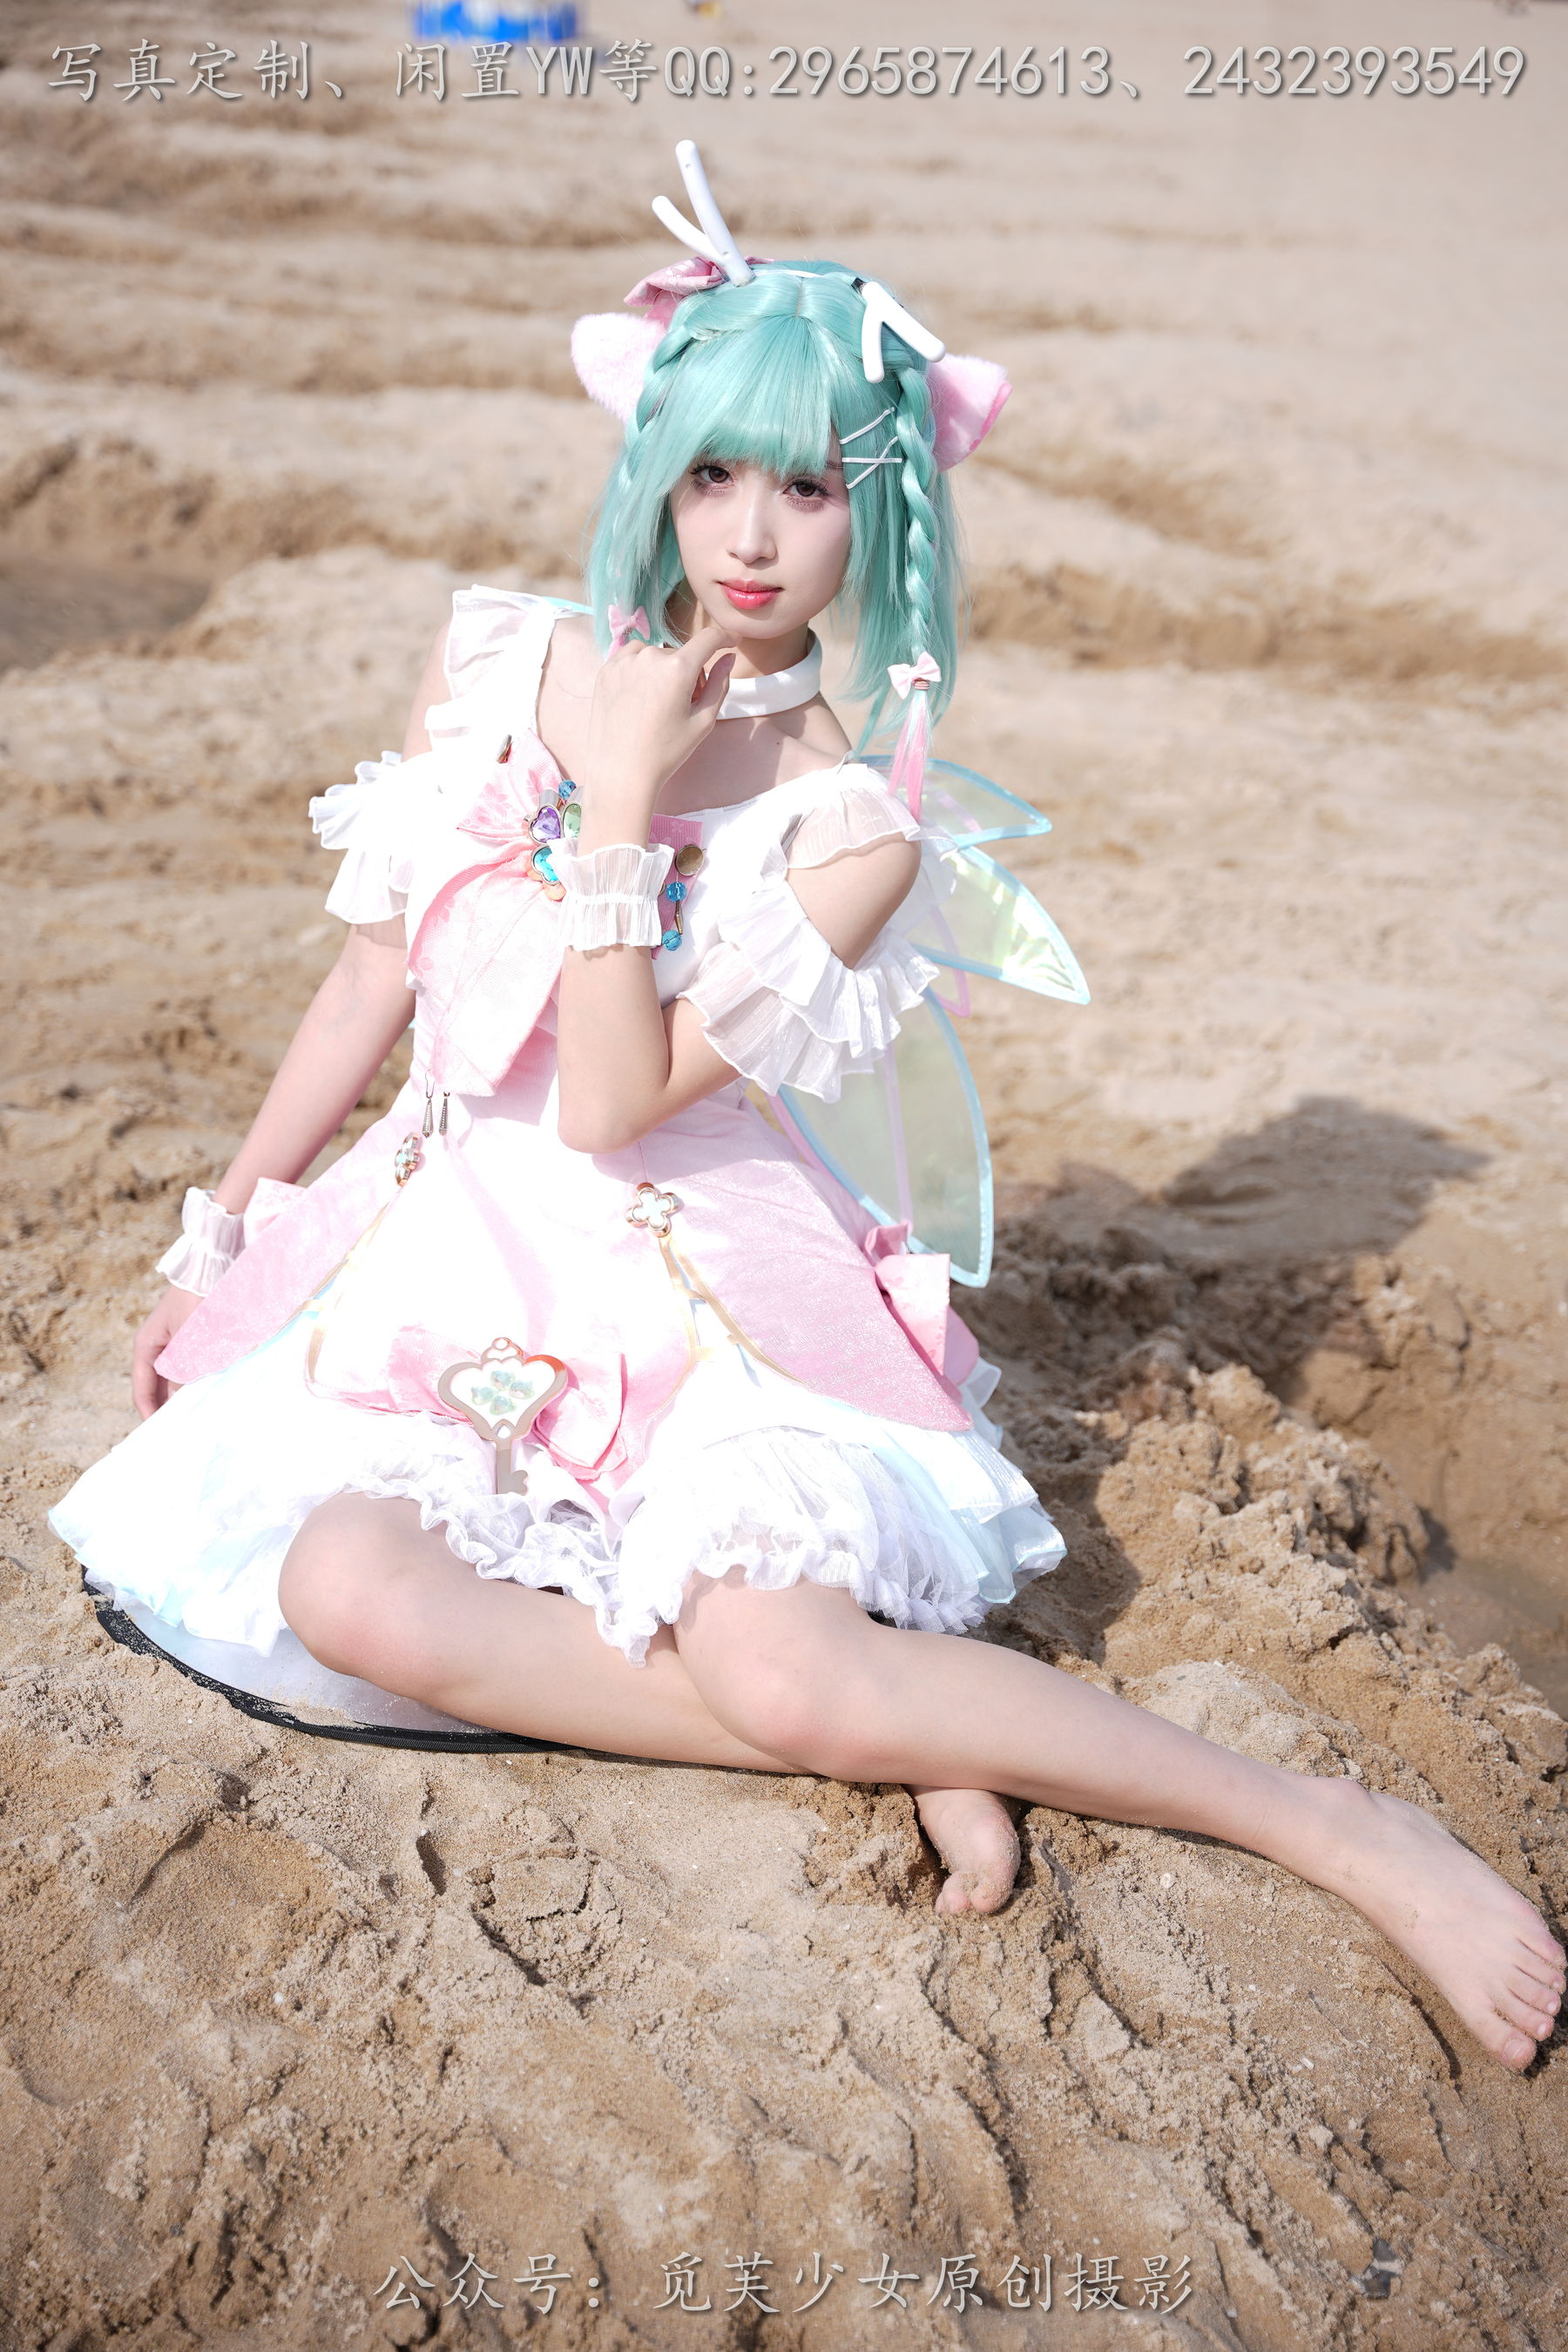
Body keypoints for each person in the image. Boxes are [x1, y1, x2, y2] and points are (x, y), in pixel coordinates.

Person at [51, 146, 1564, 2067]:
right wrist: (228, 1232)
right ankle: (906, 1727)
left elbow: (610, 1105)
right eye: (712, 474)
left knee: (771, 1651)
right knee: (342, 1587)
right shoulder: (498, 654)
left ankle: (1332, 1828)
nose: (752, 537)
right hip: (451, 1261)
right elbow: (370, 978)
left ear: (883, 509)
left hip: (699, 1285)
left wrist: (622, 798)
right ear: (656, 472)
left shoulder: (849, 827)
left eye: (811, 486)